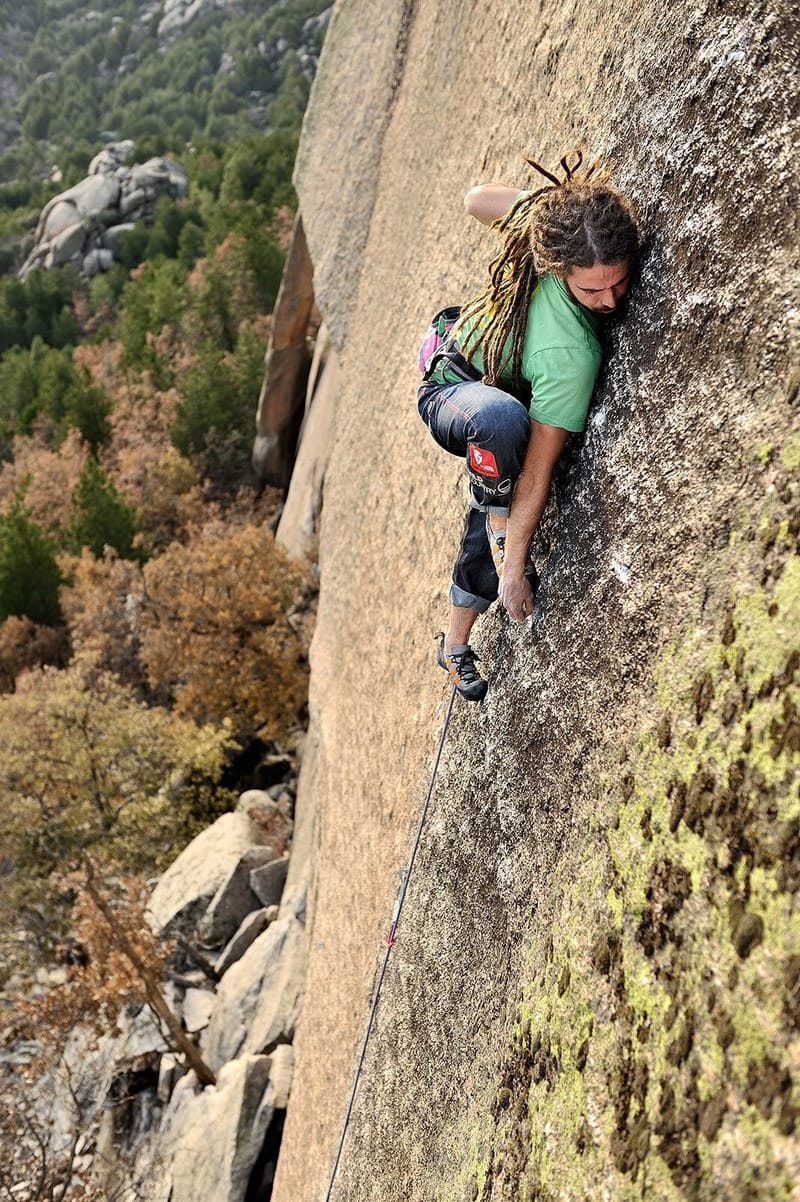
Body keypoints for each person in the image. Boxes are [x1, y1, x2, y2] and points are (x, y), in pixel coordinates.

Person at [417, 150, 641, 701]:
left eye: (617, 282)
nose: (609, 300)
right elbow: (474, 199)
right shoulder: (567, 343)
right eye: (591, 290)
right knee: (501, 430)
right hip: (453, 387)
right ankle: (497, 534)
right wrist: (515, 565)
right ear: (556, 263)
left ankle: (454, 643)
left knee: (500, 479)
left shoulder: (573, 346)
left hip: (485, 393)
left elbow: (535, 469)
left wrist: (514, 559)